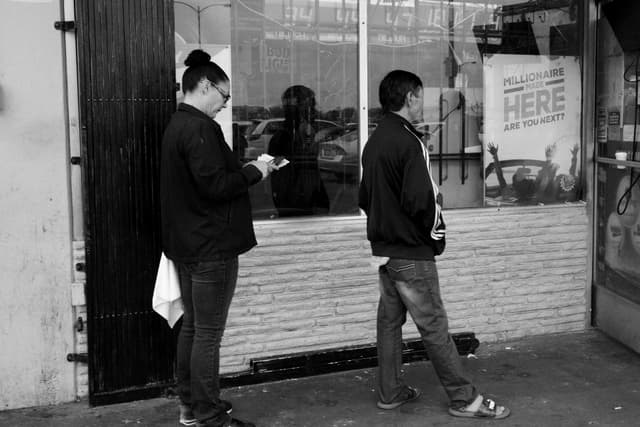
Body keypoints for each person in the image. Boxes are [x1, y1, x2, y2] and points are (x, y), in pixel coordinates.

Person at [358, 70, 510, 420]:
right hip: (411, 255)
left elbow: (366, 198)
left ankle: (391, 392)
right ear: (410, 97)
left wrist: (387, 231)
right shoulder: (410, 141)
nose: (422, 104)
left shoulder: (375, 141)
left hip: (384, 252)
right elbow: (422, 202)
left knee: (389, 323)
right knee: (434, 326)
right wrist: (435, 237)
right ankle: (464, 398)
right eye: (420, 96)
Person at [160, 49, 276, 427]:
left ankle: (191, 406)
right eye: (224, 97)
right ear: (207, 86)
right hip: (212, 246)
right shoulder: (200, 128)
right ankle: (209, 414)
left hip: (188, 244)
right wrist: (254, 172)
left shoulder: (177, 124)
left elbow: (199, 183)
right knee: (208, 333)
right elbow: (215, 186)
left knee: (193, 327)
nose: (225, 106)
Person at [267, 85, 329, 217]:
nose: (314, 111)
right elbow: (281, 181)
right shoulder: (282, 139)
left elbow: (312, 172)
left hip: (307, 206)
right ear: (299, 109)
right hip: (297, 210)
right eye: (310, 107)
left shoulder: (302, 135)